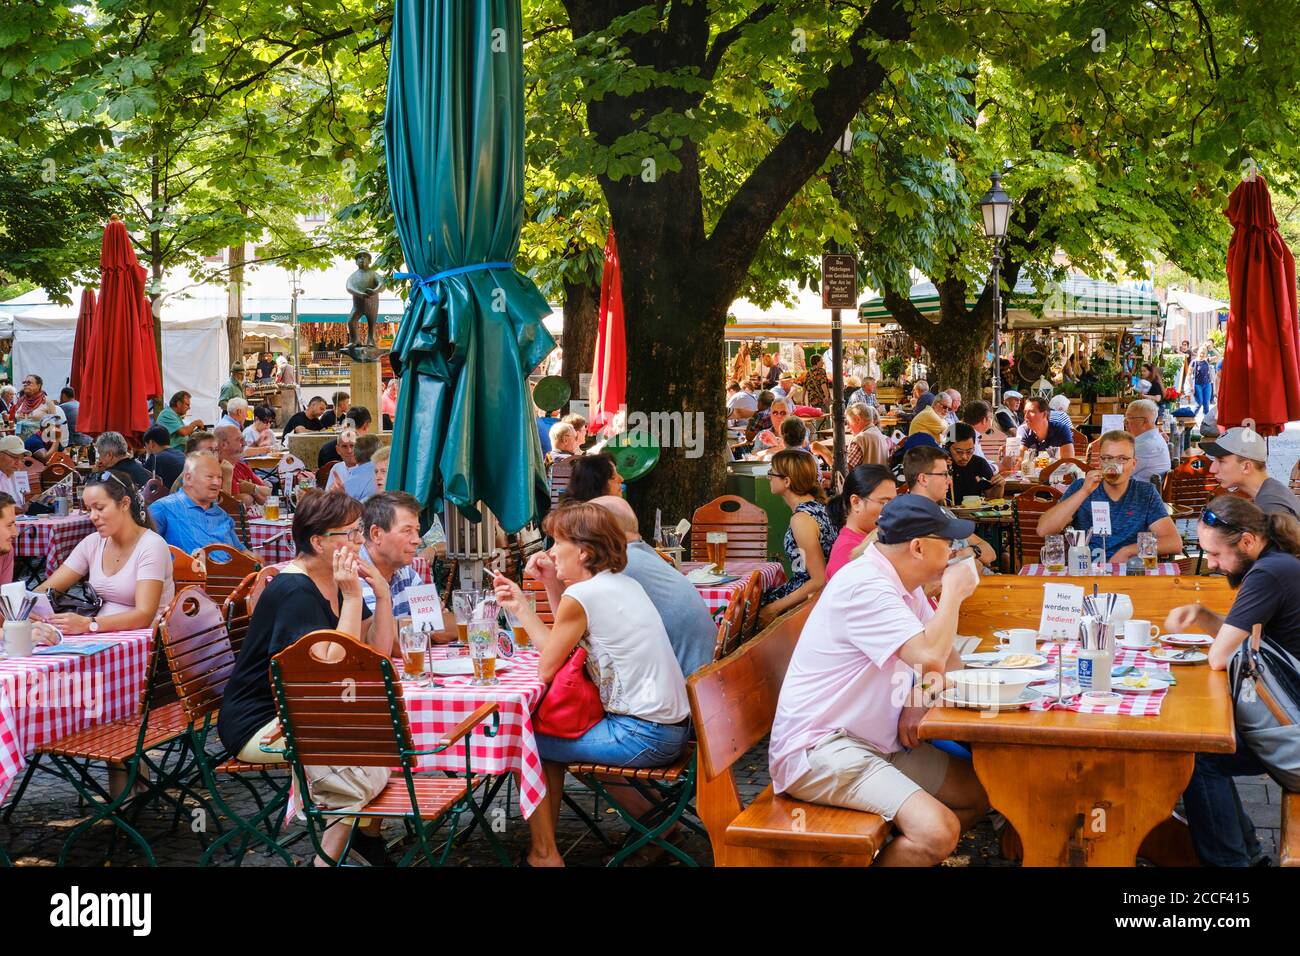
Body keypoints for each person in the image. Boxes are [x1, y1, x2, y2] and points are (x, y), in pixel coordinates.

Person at [767, 494, 989, 866]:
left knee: (978, 794)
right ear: (918, 547)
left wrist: (918, 697)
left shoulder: (903, 582)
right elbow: (931, 656)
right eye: (948, 543)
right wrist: (954, 593)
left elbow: (948, 665)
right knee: (937, 831)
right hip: (820, 748)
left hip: (873, 741)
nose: (955, 552)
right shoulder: (867, 586)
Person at [491, 502, 689, 867]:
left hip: (643, 734)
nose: (549, 552)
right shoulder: (619, 583)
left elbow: (548, 666)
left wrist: (521, 607)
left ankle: (544, 854)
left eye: (556, 543)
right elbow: (567, 644)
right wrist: (552, 582)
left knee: (532, 744)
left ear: (583, 551)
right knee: (561, 737)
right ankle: (658, 824)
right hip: (669, 727)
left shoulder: (586, 595)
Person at [217, 489, 397, 866]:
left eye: (359, 530)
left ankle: (360, 839)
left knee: (379, 735)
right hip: (260, 723)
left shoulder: (336, 578)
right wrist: (351, 599)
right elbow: (325, 675)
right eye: (349, 533)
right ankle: (329, 858)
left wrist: (380, 594)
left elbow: (376, 655)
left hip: (308, 713)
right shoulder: (294, 591)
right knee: (367, 746)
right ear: (318, 541)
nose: (359, 540)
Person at [1165, 495, 1300, 865]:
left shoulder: (1268, 574)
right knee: (1204, 747)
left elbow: (1220, 656)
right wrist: (1202, 613)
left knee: (1198, 752)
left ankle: (1231, 863)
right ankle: (1248, 853)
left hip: (1294, 737)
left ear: (1246, 541)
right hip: (1292, 716)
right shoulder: (1277, 564)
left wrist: (1210, 631)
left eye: (1215, 554)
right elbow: (1236, 639)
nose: (1209, 563)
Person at [588, 495, 716, 677]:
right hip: (701, 678)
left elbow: (575, 639)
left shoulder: (621, 566)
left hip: (685, 687)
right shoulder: (644, 554)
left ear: (603, 533)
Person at [35, 472, 174, 632]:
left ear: (124, 504)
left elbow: (144, 615)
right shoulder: (93, 543)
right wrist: (29, 606)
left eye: (99, 508)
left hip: (145, 644)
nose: (92, 517)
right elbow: (47, 589)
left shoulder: (152, 545)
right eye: (89, 509)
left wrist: (88, 624)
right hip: (103, 637)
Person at [1036, 430, 1181, 561]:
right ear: (1099, 462)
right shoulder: (1082, 486)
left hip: (1130, 572)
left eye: (1122, 459)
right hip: (1087, 571)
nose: (1114, 464)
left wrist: (1129, 551)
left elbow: (1174, 542)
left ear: (1134, 464)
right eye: (1107, 458)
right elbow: (1044, 530)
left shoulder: (1144, 492)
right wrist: (1084, 492)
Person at [759, 449, 835, 624]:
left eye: (771, 473)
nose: (768, 477)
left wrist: (774, 608)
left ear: (787, 481)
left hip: (808, 603)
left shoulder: (801, 519)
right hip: (811, 597)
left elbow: (818, 579)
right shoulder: (818, 506)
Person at [905, 444, 996, 566]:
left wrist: (972, 551)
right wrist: (976, 561)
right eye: (943, 474)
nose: (949, 480)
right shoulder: (915, 519)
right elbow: (941, 575)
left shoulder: (943, 511)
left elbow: (990, 553)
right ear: (923, 479)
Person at [149, 451, 244, 553]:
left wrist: (254, 559)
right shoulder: (163, 509)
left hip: (231, 568)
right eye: (210, 477)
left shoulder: (221, 514)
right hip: (187, 568)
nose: (216, 483)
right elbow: (143, 551)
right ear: (188, 478)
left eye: (219, 477)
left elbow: (241, 552)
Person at [1200, 426, 1300, 519]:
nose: (1212, 469)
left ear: (1246, 467)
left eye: (1221, 461)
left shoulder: (1270, 508)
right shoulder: (1270, 493)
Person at [358, 490, 426, 621]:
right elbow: (379, 636)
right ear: (376, 534)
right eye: (407, 531)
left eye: (417, 530)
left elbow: (444, 626)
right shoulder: (356, 574)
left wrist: (429, 622)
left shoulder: (405, 572)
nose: (417, 540)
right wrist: (424, 622)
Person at [825, 464, 896, 579]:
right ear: (856, 502)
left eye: (895, 503)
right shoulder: (846, 553)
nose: (893, 510)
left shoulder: (876, 538)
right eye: (885, 503)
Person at [948, 423, 1005, 503]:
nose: (964, 457)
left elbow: (992, 498)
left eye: (969, 451)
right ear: (947, 447)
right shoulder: (940, 465)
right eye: (958, 452)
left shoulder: (979, 463)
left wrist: (999, 486)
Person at [215, 424, 270, 507]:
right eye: (239, 440)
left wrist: (252, 489)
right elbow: (231, 506)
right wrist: (251, 495)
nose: (244, 443)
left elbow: (268, 497)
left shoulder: (241, 466)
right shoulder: (215, 470)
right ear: (224, 445)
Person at [1124, 398, 1172, 484]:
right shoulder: (1154, 438)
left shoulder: (1145, 445)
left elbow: (1117, 474)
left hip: (1139, 495)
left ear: (1144, 421)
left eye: (1129, 418)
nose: (1125, 422)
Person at [328, 433, 380, 501]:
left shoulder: (375, 474)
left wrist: (341, 497)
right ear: (338, 449)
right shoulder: (336, 468)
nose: (349, 451)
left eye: (352, 446)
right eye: (344, 446)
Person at [846, 402, 889, 468]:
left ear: (858, 419)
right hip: (879, 477)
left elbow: (844, 471)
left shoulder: (860, 439)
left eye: (849, 422)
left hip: (866, 478)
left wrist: (825, 452)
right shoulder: (878, 433)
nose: (848, 427)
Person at [1191, 345, 1215, 417]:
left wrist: (1212, 349)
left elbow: (1218, 356)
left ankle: (1206, 424)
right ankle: (1190, 417)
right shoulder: (1194, 362)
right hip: (1197, 385)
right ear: (1198, 352)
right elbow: (1189, 375)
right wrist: (1191, 386)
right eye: (1201, 352)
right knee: (1199, 403)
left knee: (1206, 404)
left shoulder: (1207, 360)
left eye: (1204, 353)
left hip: (1207, 384)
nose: (1202, 354)